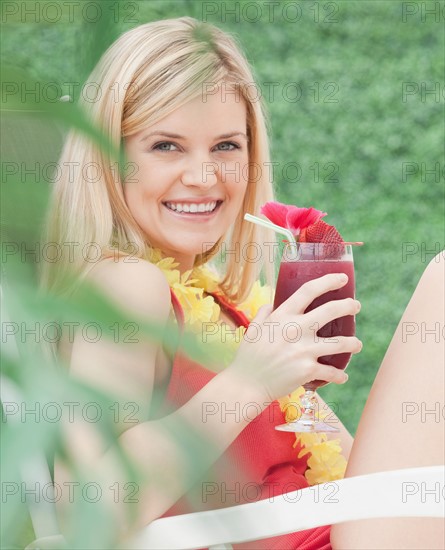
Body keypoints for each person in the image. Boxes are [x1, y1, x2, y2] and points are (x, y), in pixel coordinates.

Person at [40, 16, 444, 549]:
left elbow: (353, 474)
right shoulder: (126, 285)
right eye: (166, 145)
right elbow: (87, 517)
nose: (204, 176)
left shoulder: (229, 308)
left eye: (227, 146)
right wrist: (249, 383)